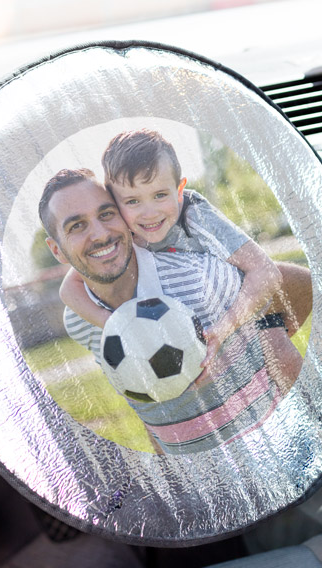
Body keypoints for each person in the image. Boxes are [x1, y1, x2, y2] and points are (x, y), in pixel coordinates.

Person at [38, 168, 306, 454]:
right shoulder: (79, 320)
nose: (100, 234)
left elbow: (296, 283)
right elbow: (143, 400)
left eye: (106, 214)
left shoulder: (196, 278)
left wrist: (270, 332)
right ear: (57, 250)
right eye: (76, 226)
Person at [58, 128, 308, 389]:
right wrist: (115, 324)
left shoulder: (194, 214)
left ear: (179, 189)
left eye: (160, 195)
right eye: (132, 201)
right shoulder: (120, 233)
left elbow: (266, 272)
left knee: (279, 354)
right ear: (114, 201)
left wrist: (224, 329)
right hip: (183, 323)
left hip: (243, 307)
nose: (149, 213)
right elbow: (69, 289)